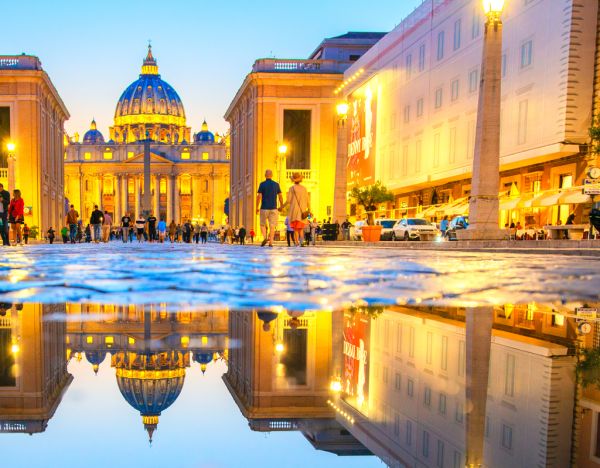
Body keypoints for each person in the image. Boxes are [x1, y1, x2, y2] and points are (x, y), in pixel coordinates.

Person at [281, 172, 310, 247]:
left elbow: (288, 200)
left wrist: (281, 206)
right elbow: (308, 200)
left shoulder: (292, 188)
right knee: (300, 228)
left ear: (293, 180)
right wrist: (309, 209)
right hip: (302, 211)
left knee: (296, 229)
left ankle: (297, 243)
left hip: (294, 211)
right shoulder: (304, 188)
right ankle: (302, 242)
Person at [256, 169, 284, 247]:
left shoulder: (262, 184)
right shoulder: (276, 184)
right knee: (272, 226)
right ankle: (271, 242)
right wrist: (281, 206)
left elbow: (259, 196)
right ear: (272, 175)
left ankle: (265, 238)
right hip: (274, 208)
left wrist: (256, 207)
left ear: (265, 175)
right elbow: (280, 196)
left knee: (262, 224)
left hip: (264, 208)